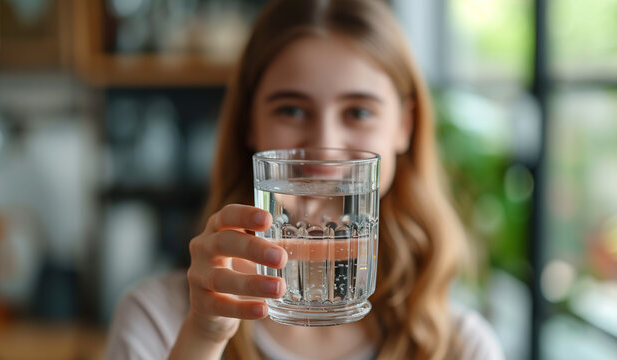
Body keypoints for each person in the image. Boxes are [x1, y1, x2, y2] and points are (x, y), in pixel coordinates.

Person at [105, 0, 504, 359]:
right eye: (292, 111)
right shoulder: (158, 319)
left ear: (404, 127)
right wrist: (205, 336)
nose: (323, 146)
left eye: (359, 113)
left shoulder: (462, 346)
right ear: (250, 124)